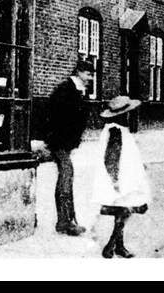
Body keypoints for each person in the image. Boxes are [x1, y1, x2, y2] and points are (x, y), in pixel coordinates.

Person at [92, 95, 150, 258]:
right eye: (128, 112)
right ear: (123, 114)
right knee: (125, 211)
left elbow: (126, 154)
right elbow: (112, 158)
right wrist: (115, 181)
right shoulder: (116, 131)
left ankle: (119, 246)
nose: (131, 114)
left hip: (126, 177)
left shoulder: (117, 129)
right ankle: (111, 245)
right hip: (122, 180)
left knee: (122, 211)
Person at [44, 60, 93, 235]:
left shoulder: (76, 90)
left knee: (67, 176)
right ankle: (65, 221)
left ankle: (66, 220)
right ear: (79, 72)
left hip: (64, 142)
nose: (90, 78)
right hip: (59, 142)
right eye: (88, 74)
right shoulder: (66, 90)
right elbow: (55, 116)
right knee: (66, 175)